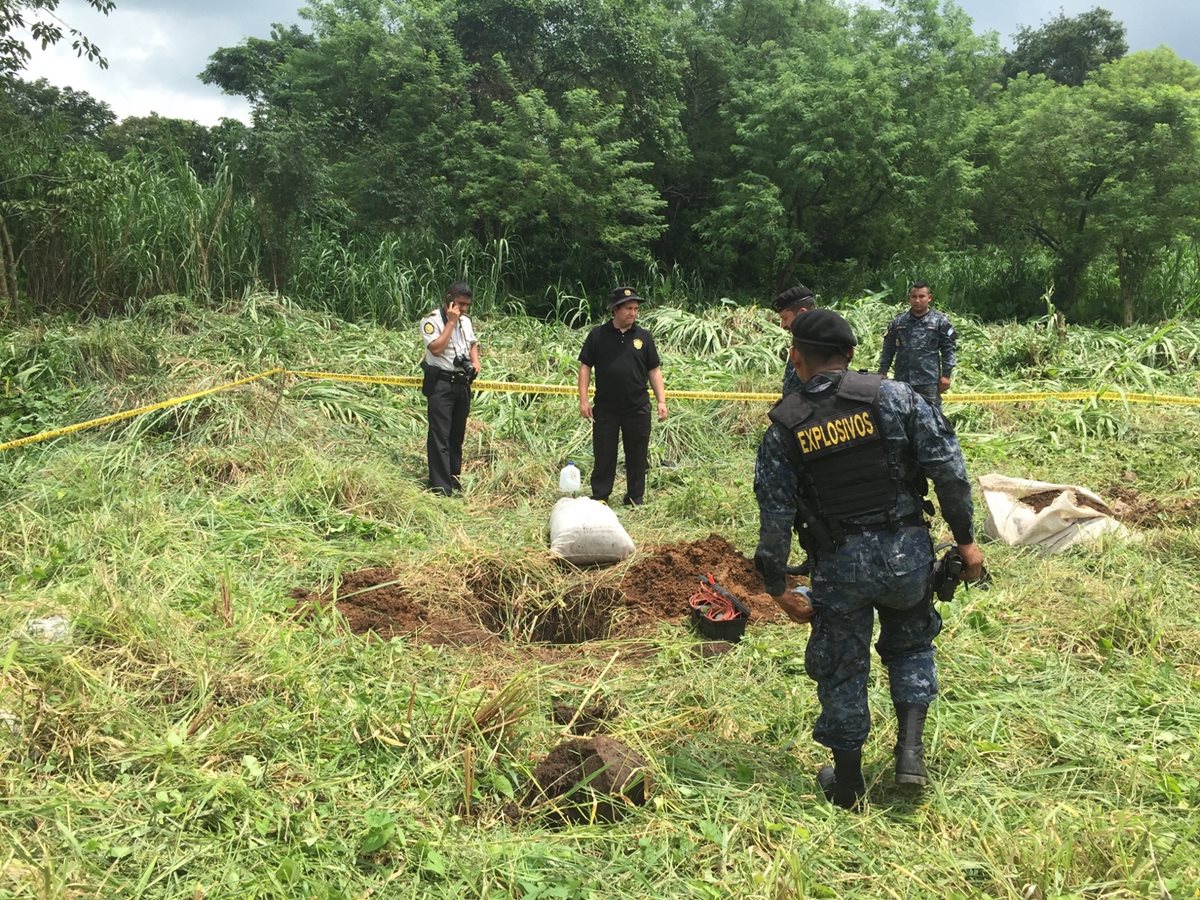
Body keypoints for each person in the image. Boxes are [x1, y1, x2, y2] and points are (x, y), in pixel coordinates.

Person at [753, 309, 983, 809]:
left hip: (839, 567)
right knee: (911, 643)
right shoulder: (897, 397)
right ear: (852, 355)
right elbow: (950, 472)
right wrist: (965, 541)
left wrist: (776, 588)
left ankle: (849, 783)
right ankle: (910, 751)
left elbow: (774, 518)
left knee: (842, 666)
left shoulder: (785, 426)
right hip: (907, 557)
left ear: (797, 356)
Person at [577, 287, 668, 506]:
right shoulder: (597, 335)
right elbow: (585, 367)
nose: (633, 313)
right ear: (615, 310)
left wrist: (661, 401)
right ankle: (601, 495)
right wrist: (583, 399)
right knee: (604, 453)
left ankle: (635, 497)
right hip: (606, 407)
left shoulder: (643, 337)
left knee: (637, 453)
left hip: (637, 407)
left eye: (636, 309)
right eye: (628, 308)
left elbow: (654, 370)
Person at [420, 282, 480, 496]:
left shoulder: (465, 321)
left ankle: (453, 480)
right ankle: (439, 486)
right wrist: (451, 323)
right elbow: (436, 349)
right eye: (460, 304)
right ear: (449, 299)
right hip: (441, 384)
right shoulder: (432, 320)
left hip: (462, 383)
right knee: (440, 436)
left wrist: (476, 362)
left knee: (456, 436)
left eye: (467, 305)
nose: (463, 309)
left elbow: (472, 343)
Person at [877, 281, 958, 409]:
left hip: (928, 380)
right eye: (914, 297)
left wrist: (946, 375)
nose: (917, 300)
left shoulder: (940, 321)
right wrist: (883, 371)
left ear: (929, 298)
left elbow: (949, 349)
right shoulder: (899, 321)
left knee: (932, 418)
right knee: (903, 415)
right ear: (909, 298)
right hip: (902, 380)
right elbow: (888, 348)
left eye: (922, 296)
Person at [773, 284, 816, 397]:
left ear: (802, 313)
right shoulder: (800, 343)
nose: (782, 325)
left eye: (785, 318)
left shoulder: (821, 346)